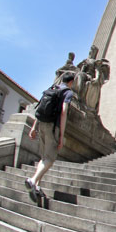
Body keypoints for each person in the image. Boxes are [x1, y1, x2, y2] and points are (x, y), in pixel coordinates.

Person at [25, 71, 76, 202]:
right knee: (50, 158)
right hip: (53, 127)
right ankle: (33, 180)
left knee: (44, 157)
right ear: (71, 82)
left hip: (41, 123)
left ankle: (36, 186)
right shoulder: (68, 92)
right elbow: (64, 112)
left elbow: (40, 108)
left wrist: (33, 127)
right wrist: (61, 136)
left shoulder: (52, 88)